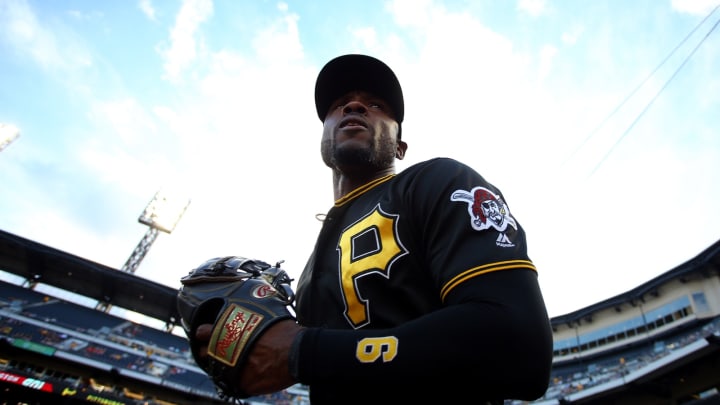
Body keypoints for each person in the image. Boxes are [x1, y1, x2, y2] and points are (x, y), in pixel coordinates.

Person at [197, 54, 553, 404]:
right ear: (323, 138)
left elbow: (520, 345)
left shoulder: (437, 181)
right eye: (338, 105)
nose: (353, 105)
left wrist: (303, 350)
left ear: (399, 147)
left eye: (376, 104)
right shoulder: (310, 270)